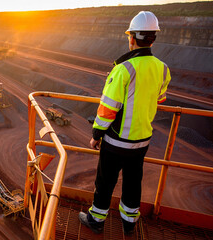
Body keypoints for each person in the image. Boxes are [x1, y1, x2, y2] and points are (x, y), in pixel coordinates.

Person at [79, 11, 171, 235]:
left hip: (117, 140)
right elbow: (159, 99)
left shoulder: (124, 69)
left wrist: (96, 135)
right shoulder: (162, 68)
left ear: (131, 38)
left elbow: (108, 109)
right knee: (133, 182)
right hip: (142, 140)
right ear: (153, 38)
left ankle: (96, 220)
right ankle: (129, 223)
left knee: (105, 182)